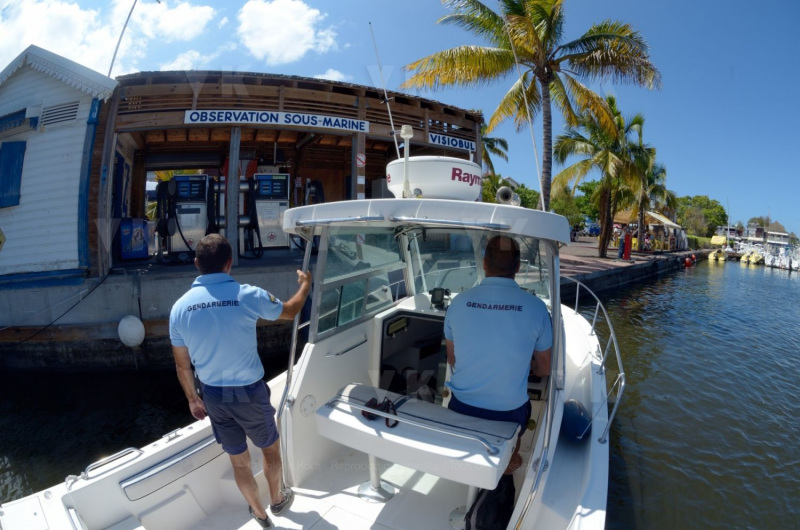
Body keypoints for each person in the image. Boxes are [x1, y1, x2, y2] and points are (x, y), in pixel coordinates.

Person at [169, 234, 311, 528]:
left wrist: (193, 399)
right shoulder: (248, 295)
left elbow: (182, 366)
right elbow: (290, 310)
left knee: (238, 461)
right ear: (230, 263)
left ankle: (259, 514)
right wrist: (305, 285)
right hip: (247, 394)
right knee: (270, 450)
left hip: (213, 397)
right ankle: (277, 501)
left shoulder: (179, 309)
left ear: (196, 265)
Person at [443, 235, 552, 474]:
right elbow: (545, 369)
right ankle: (508, 465)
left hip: (460, 408)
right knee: (521, 419)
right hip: (509, 414)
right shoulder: (537, 308)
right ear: (518, 267)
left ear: (484, 264)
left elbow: (453, 360)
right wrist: (529, 366)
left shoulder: (458, 303)